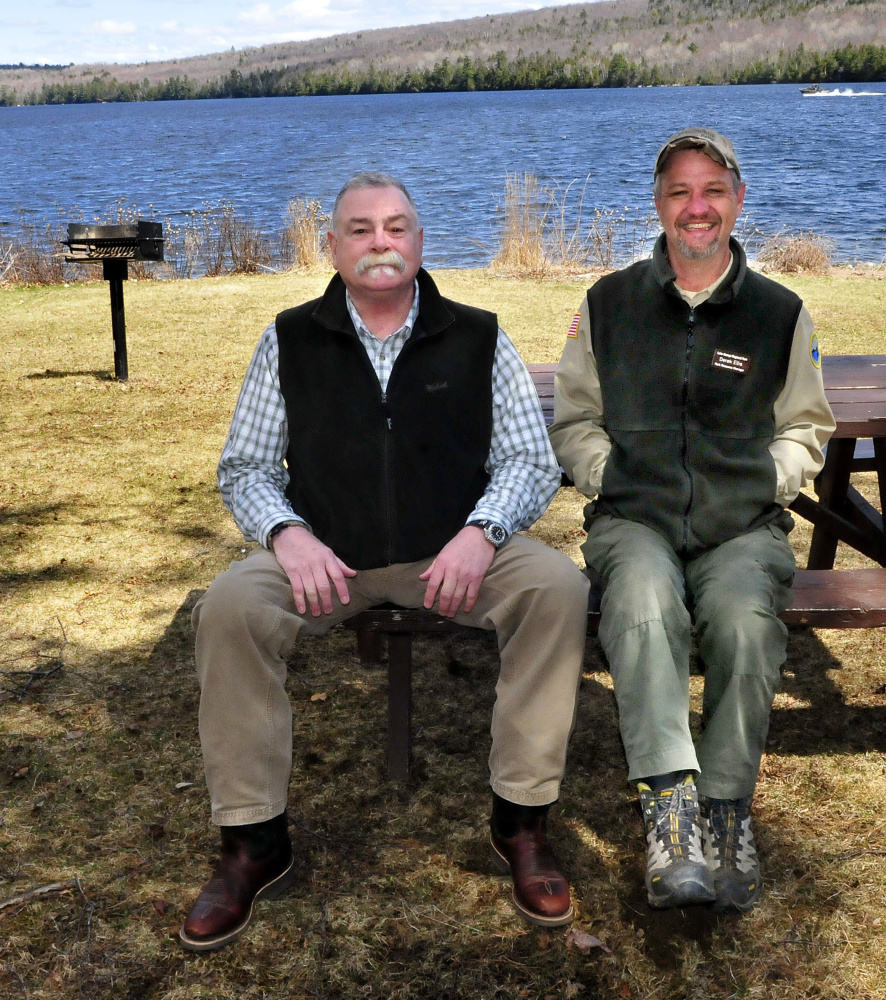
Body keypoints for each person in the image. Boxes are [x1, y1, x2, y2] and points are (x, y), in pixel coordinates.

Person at [179, 171, 589, 951]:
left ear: (420, 242)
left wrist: (483, 532)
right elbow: (246, 469)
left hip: (452, 552)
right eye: (360, 229)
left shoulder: (479, 334)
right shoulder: (289, 337)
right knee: (230, 607)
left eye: (396, 227)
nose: (380, 242)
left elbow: (530, 463)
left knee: (557, 587)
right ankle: (253, 842)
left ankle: (521, 821)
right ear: (333, 249)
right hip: (327, 557)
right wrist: (288, 536)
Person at [550, 128, 834, 914]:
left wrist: (759, 486)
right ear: (658, 204)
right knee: (641, 604)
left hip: (742, 526)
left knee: (745, 622)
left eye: (713, 190)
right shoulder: (607, 305)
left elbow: (807, 429)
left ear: (738, 202)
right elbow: (574, 420)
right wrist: (615, 476)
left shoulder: (780, 313)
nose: (697, 207)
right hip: (632, 519)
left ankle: (726, 806)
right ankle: (671, 810)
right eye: (680, 191)